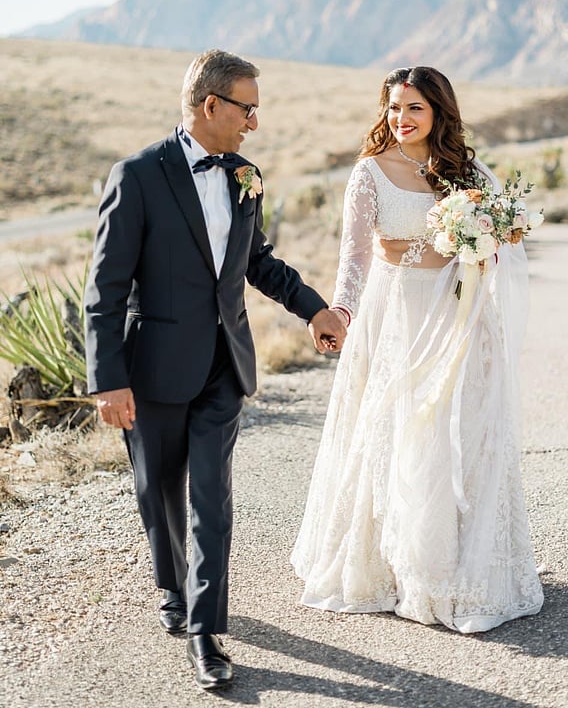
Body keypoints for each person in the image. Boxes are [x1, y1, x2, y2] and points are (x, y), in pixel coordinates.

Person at [84, 48, 346, 692]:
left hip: (224, 365)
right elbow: (106, 286)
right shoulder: (138, 175)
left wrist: (313, 309)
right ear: (211, 106)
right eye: (247, 108)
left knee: (212, 498)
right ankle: (171, 586)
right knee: (158, 492)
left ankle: (207, 632)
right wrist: (107, 379)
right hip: (151, 369)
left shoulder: (245, 176)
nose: (253, 122)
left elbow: (257, 261)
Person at [292, 65, 544, 633]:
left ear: (439, 113)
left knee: (460, 433)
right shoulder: (369, 173)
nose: (400, 119)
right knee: (395, 431)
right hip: (396, 314)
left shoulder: (470, 172)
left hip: (458, 312)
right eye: (393, 108)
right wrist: (343, 311)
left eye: (413, 109)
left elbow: (500, 247)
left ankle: (458, 560)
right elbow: (355, 257)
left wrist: (486, 245)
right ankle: (391, 565)